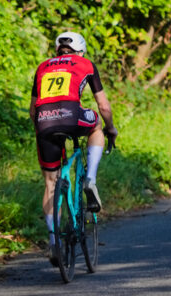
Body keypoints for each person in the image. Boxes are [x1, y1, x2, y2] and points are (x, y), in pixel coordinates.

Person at [29, 32, 118, 265]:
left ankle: (53, 241)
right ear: (80, 51)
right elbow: (103, 105)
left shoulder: (42, 67)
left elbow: (32, 111)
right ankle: (90, 178)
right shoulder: (85, 63)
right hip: (72, 117)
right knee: (96, 125)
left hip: (44, 122)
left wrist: (44, 130)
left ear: (58, 50)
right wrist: (111, 129)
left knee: (50, 183)